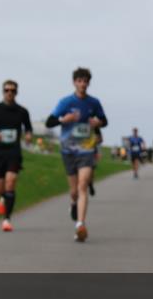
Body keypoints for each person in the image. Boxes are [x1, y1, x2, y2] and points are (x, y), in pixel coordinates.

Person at [46, 67, 108, 242]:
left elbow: (104, 121)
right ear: (74, 82)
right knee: (74, 191)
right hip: (68, 151)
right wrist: (62, 120)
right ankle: (73, 203)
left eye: (85, 81)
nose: (82, 84)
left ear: (89, 83)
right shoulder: (65, 102)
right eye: (79, 81)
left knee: (82, 186)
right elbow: (50, 121)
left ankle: (80, 225)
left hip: (87, 150)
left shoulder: (94, 103)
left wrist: (98, 122)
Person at [0, 80, 33, 232]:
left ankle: (7, 219)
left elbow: (28, 128)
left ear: (16, 92)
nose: (10, 93)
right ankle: (3, 197)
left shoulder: (22, 111)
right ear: (3, 91)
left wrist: (29, 136)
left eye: (13, 90)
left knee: (11, 182)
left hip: (13, 152)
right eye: (7, 90)